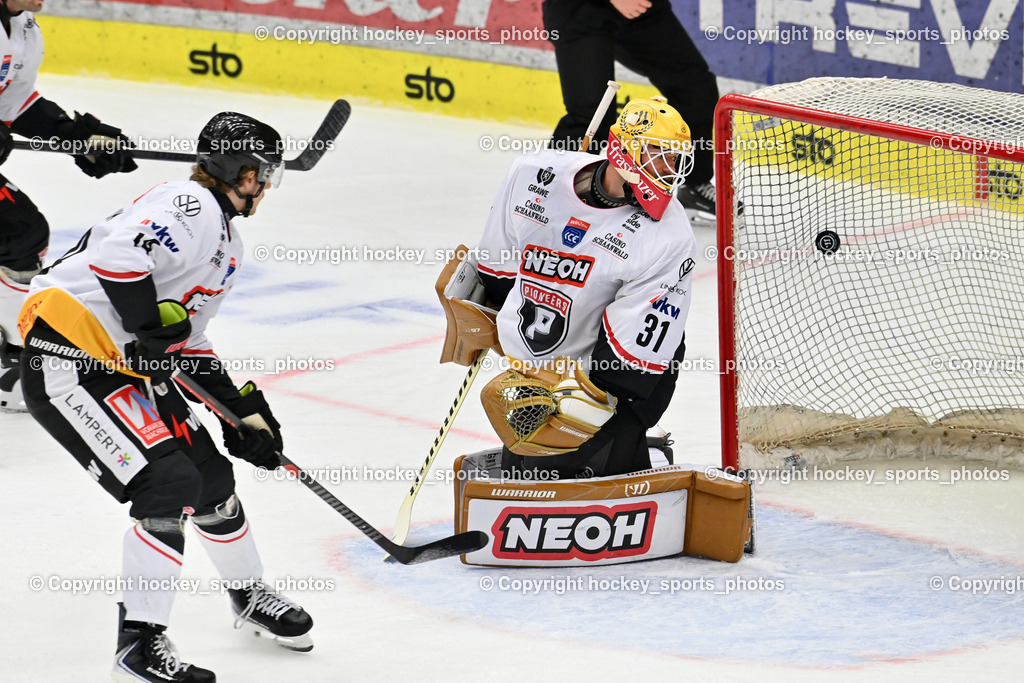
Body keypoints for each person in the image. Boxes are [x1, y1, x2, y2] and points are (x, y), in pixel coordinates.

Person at [18, 112, 313, 682]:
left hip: (123, 368)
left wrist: (240, 410)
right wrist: (150, 331)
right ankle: (138, 647)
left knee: (211, 480)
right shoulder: (190, 204)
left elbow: (189, 339)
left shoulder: (228, 244)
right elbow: (118, 260)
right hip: (68, 363)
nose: (268, 186)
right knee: (168, 483)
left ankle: (249, 596)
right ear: (240, 173)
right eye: (262, 174)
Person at [473, 96, 696, 479]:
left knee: (576, 464)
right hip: (539, 373)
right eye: (659, 153)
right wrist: (481, 308)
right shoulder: (533, 176)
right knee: (525, 468)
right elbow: (498, 267)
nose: (670, 169)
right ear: (624, 150)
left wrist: (576, 403)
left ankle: (635, 443)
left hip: (624, 377)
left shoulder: (668, 236)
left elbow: (630, 364)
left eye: (676, 159)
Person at [0, 0, 136, 412]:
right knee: (19, 232)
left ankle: (13, 355)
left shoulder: (24, 29)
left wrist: (73, 135)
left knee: (19, 235)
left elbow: (14, 105)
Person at [543, 0, 720, 220]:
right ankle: (548, 194)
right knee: (591, 114)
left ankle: (695, 185)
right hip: (580, 10)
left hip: (642, 9)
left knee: (696, 89)